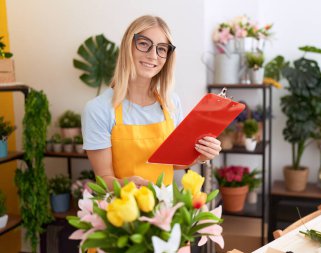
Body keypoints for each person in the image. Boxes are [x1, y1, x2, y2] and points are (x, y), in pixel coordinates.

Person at [82, 15, 222, 187]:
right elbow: (103, 178)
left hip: (165, 209)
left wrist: (201, 155)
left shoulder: (171, 102)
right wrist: (128, 184)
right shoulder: (99, 109)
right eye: (143, 44)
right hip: (121, 209)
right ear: (128, 46)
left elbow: (174, 163)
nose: (153, 55)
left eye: (162, 49)